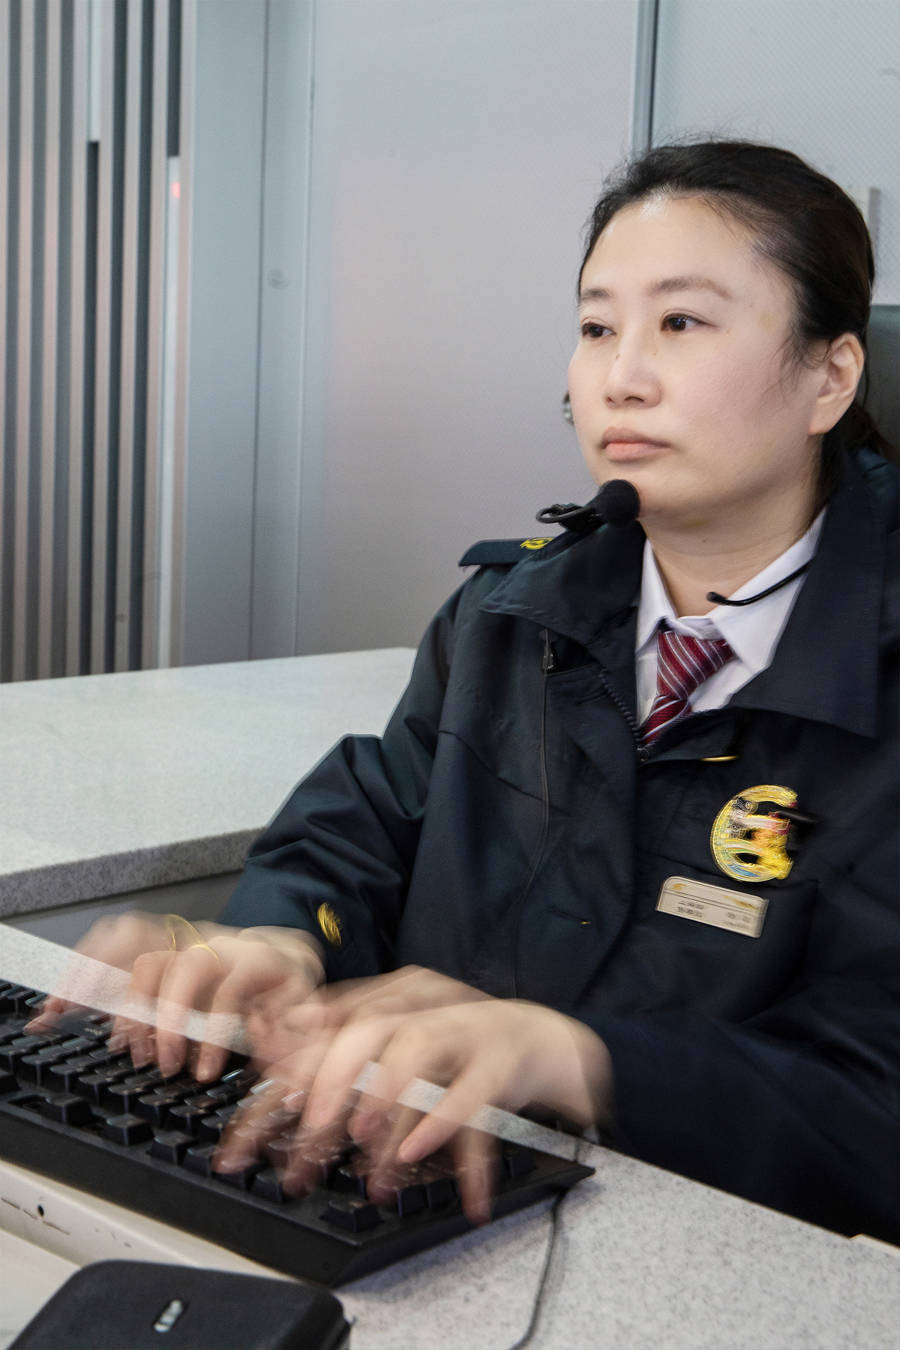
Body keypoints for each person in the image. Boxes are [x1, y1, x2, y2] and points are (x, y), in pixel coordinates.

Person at [32, 140, 899, 1241]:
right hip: (439, 1204)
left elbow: (873, 1108)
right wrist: (282, 940)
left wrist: (572, 1057)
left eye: (682, 323)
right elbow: (367, 826)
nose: (621, 377)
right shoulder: (514, 613)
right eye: (597, 328)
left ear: (831, 376)